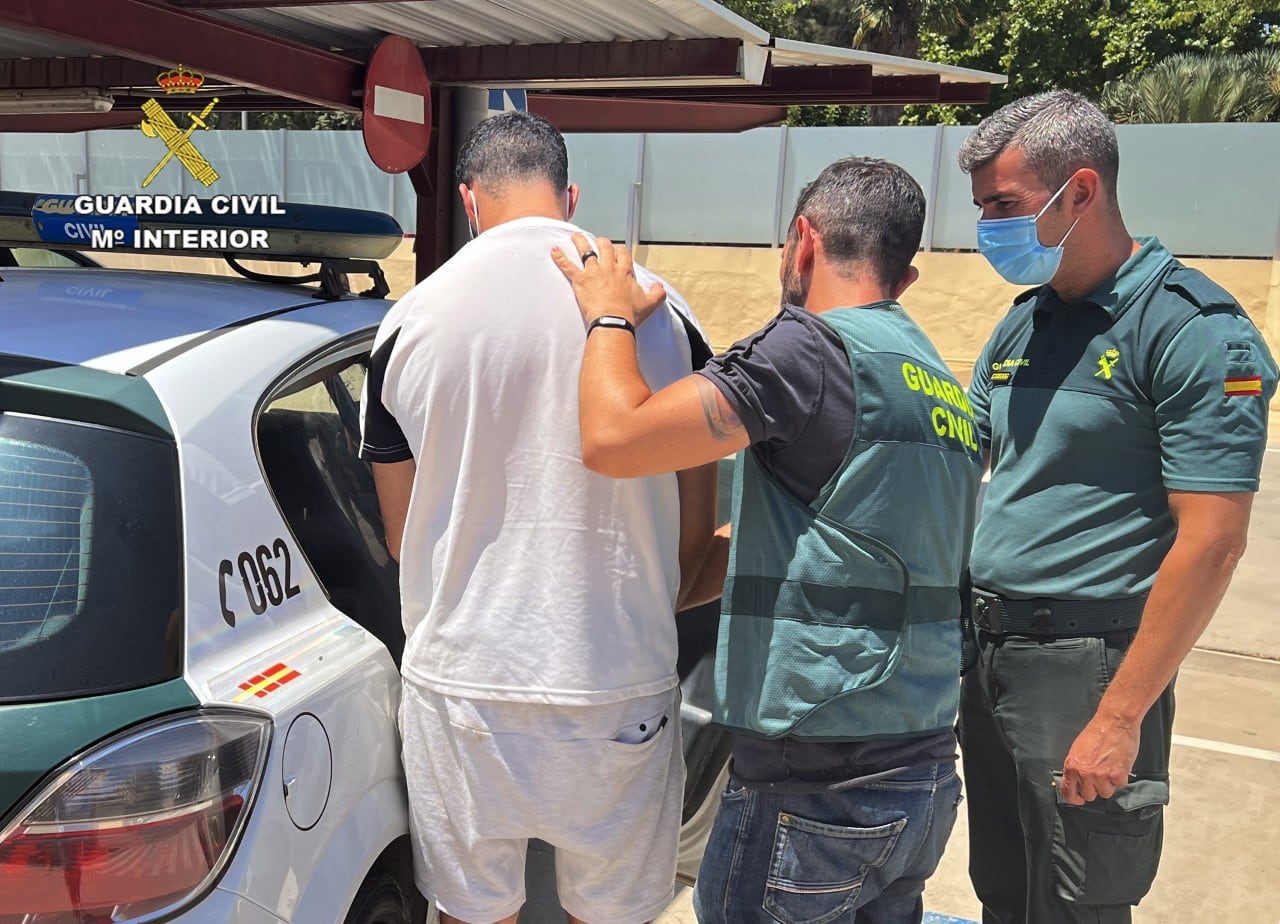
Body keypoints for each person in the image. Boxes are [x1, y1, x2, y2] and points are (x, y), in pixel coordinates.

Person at [552, 157, 984, 924]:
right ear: (905, 278)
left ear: (803, 243)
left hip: (813, 786)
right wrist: (691, 567)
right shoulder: (934, 380)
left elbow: (615, 439)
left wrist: (609, 315)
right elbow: (844, 550)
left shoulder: (809, 351)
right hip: (918, 780)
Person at [358, 111, 720, 924]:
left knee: (469, 913)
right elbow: (694, 532)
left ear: (468, 199)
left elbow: (398, 533)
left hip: (462, 684)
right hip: (614, 676)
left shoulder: (412, 321)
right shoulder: (667, 313)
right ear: (571, 196)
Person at [956, 89, 1279, 924]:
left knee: (1077, 903)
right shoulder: (1023, 326)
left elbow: (1213, 543)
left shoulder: (1192, 330)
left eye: (1006, 205)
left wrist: (1119, 715)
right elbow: (965, 461)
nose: (990, 226)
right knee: (1004, 890)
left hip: (1087, 665)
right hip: (987, 653)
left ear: (1082, 192)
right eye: (983, 207)